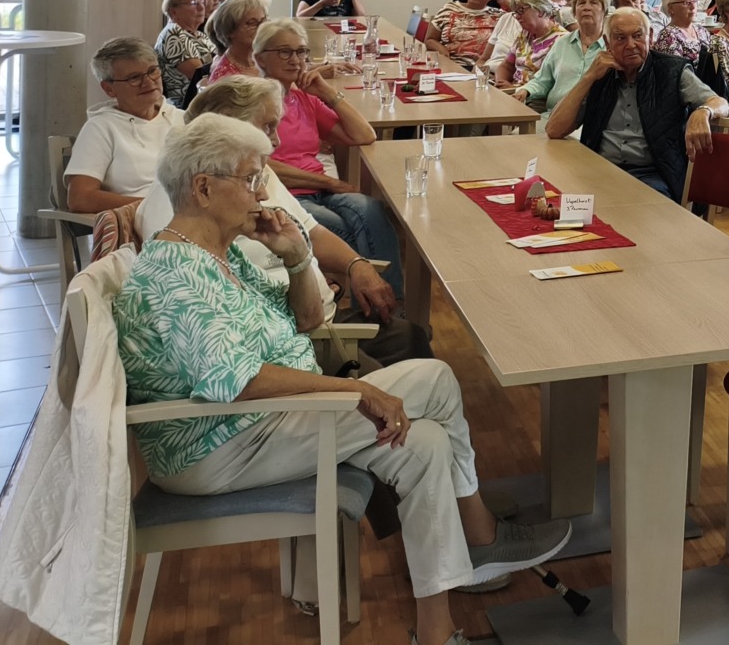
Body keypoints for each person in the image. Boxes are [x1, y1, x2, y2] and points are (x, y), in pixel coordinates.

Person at [113, 114, 571, 645]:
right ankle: (480, 533)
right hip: (218, 444)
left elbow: (306, 321)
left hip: (263, 426)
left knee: (422, 444)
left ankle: (436, 631)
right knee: (438, 379)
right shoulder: (177, 271)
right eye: (252, 178)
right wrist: (355, 389)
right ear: (203, 187)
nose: (263, 192)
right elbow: (234, 382)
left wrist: (296, 256)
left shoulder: (223, 250)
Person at [138, 76, 425, 370]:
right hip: (297, 341)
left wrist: (353, 265)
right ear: (223, 125)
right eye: (267, 126)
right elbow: (231, 364)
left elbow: (310, 231)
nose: (276, 140)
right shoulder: (184, 218)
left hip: (310, 319)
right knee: (422, 376)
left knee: (414, 343)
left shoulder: (249, 177)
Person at [251, 18, 404, 293]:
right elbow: (262, 164)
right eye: (285, 52)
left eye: (301, 52)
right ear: (261, 58)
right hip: (283, 197)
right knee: (355, 232)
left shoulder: (303, 99)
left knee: (372, 210)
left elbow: (364, 135)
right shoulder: (254, 103)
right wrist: (329, 183)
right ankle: (385, 309)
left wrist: (326, 91)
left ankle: (382, 311)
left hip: (320, 191)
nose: (295, 60)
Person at [542, 7, 729, 200]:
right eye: (620, 38)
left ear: (650, 37)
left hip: (652, 175)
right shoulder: (599, 74)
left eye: (637, 36)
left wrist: (704, 110)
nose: (630, 45)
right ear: (607, 43)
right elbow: (554, 129)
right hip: (597, 169)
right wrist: (588, 78)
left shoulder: (671, 71)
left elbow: (721, 103)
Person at [65, 38, 187, 213]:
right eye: (134, 78)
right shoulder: (101, 127)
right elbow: (80, 198)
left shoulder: (182, 119)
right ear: (109, 89)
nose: (148, 82)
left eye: (152, 71)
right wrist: (153, 207)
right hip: (141, 223)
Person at [522, 0, 607, 115]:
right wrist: (525, 91)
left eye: (594, 3)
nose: (586, 8)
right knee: (516, 135)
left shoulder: (612, 48)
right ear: (574, 12)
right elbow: (542, 80)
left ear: (605, 11)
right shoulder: (561, 44)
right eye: (581, 3)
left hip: (592, 120)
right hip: (553, 115)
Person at [155, 0, 214, 106]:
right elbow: (200, 76)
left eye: (202, 2)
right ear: (174, 11)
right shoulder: (173, 33)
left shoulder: (199, 35)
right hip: (187, 105)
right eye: (193, 3)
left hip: (205, 99)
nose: (201, 7)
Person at [492, 0, 560, 91]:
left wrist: (514, 90)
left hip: (533, 101)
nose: (517, 16)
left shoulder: (561, 41)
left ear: (540, 10)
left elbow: (551, 85)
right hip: (512, 94)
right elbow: (506, 66)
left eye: (521, 10)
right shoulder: (525, 34)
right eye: (516, 12)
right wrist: (501, 84)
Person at [480, 0, 551, 67]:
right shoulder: (506, 19)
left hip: (510, 80)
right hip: (488, 75)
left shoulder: (540, 29)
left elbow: (522, 71)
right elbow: (483, 59)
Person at [430, 0, 503, 61]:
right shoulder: (449, 9)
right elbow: (430, 39)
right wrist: (442, 50)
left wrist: (508, 3)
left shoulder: (499, 16)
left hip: (482, 68)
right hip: (452, 63)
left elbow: (521, 20)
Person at [206, 0, 270, 81]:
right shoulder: (224, 77)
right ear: (230, 30)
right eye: (252, 23)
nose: (261, 27)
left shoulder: (267, 60)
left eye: (263, 21)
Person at [653, 0, 712, 66]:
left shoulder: (702, 30)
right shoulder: (668, 36)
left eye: (695, 1)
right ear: (671, 8)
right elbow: (675, 72)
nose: (693, 7)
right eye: (687, 3)